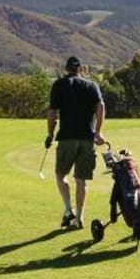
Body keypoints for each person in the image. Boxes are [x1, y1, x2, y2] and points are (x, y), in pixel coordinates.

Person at [45, 56, 105, 230]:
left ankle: (67, 209)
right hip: (87, 138)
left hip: (66, 138)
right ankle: (78, 218)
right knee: (81, 181)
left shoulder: (58, 85)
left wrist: (50, 134)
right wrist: (98, 132)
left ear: (66, 69)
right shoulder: (91, 85)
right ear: (81, 69)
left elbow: (52, 113)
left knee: (60, 175)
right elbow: (100, 106)